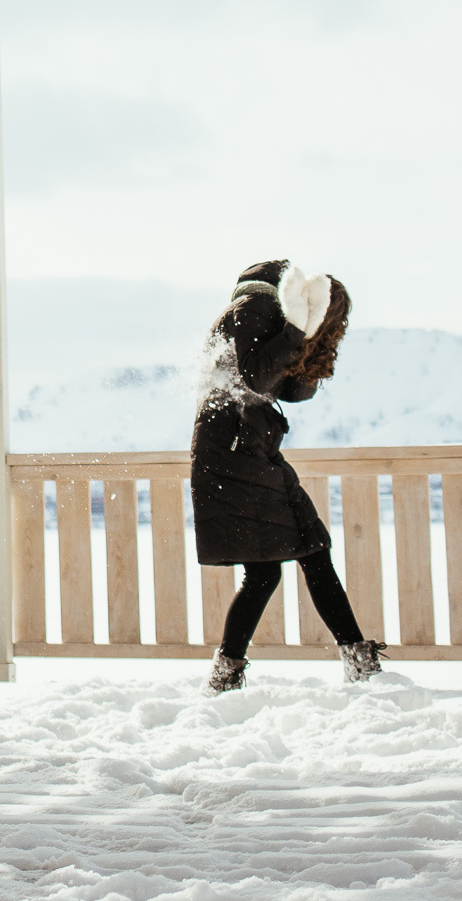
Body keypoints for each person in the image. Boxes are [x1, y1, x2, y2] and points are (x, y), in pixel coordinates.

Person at [190, 258, 386, 693]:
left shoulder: (262, 316)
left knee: (276, 567)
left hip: (241, 451)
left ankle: (227, 674)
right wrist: (296, 333)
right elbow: (257, 379)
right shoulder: (252, 309)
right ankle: (356, 659)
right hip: (237, 453)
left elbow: (290, 390)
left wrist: (309, 344)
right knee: (307, 552)